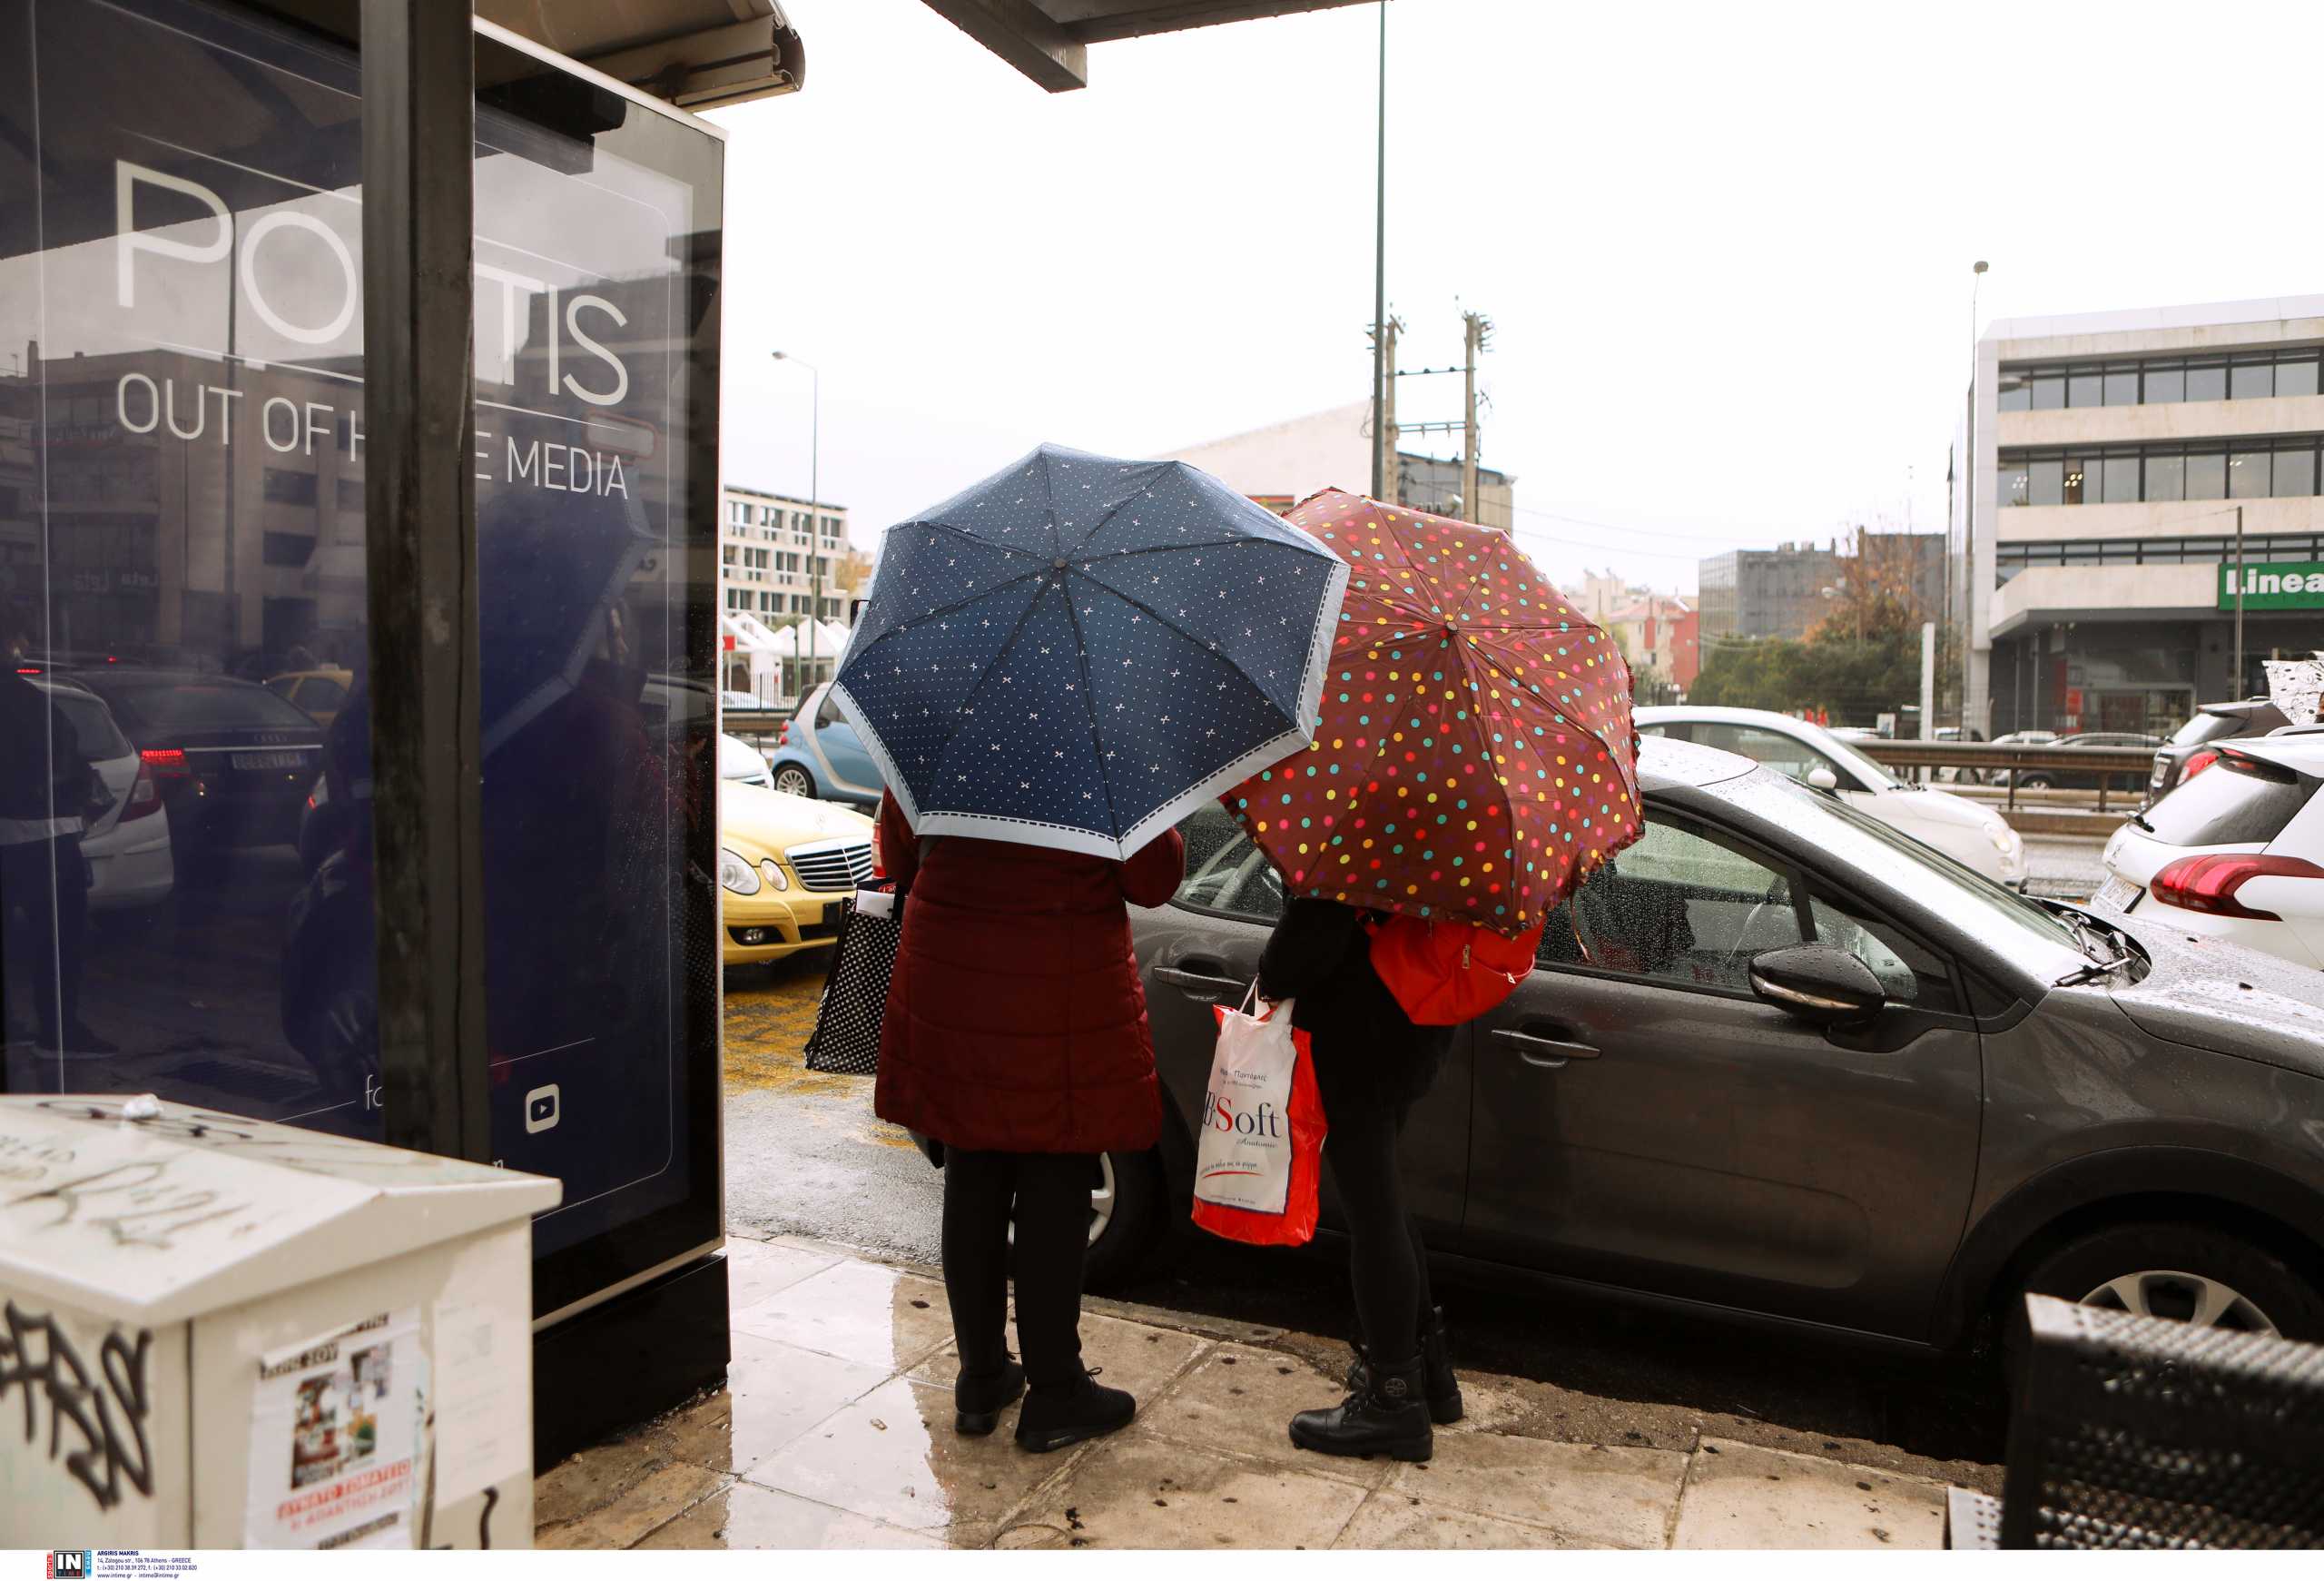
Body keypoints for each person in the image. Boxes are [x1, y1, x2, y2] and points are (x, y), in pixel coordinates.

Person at [874, 788, 1184, 1452]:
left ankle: (982, 1375)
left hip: (955, 983)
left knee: (973, 1172)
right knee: (1055, 1182)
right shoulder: (1097, 739)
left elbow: (897, 855)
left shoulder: (949, 722)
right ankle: (1055, 1388)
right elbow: (1154, 879)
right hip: (1058, 991)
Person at [1256, 898, 1462, 1463]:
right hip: (1416, 1026)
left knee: (1372, 1212)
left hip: (1358, 1036)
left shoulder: (1363, 838)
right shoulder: (1445, 833)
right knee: (1384, 1198)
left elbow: (1299, 951)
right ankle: (1429, 1377)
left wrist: (1271, 968)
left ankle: (1394, 1401)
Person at [0, 666, 115, 1069]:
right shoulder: (26, 699)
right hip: (45, 834)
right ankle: (58, 1034)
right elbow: (63, 754)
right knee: (58, 937)